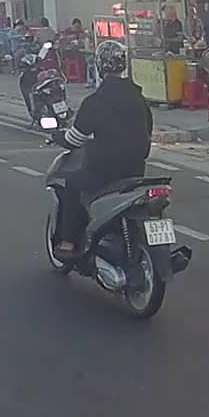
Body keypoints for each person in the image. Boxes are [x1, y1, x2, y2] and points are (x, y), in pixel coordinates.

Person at [52, 40, 152, 259]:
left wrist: (57, 136)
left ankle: (68, 243)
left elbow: (74, 139)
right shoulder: (139, 98)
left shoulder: (96, 101)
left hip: (105, 170)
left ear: (99, 66)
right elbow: (148, 131)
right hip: (136, 169)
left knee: (71, 187)